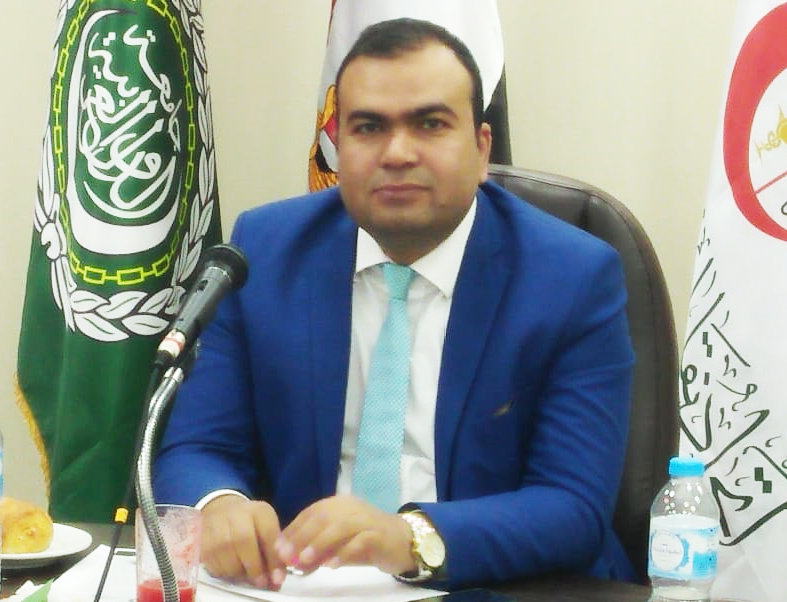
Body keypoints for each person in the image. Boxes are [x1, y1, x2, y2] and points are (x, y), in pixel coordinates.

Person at [154, 17, 636, 591]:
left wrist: (409, 537)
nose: (398, 152)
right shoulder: (266, 251)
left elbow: (573, 505)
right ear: (339, 147)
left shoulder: (573, 277)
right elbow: (197, 445)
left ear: (482, 148)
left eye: (430, 124)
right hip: (304, 586)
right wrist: (217, 503)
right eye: (369, 127)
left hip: (496, 586)